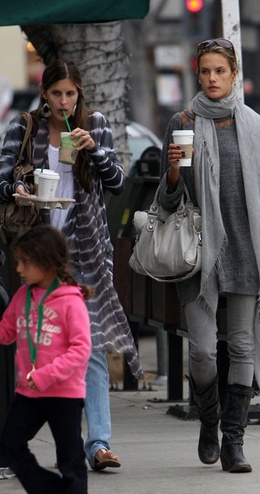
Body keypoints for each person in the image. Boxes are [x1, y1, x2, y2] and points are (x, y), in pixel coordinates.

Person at [158, 38, 260, 473]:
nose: (213, 79)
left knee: (240, 346)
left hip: (245, 249)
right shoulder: (183, 121)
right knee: (201, 350)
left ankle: (234, 442)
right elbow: (166, 202)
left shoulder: (254, 127)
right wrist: (175, 169)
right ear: (196, 74)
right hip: (200, 253)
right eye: (205, 71)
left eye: (221, 71)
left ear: (234, 74)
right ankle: (209, 419)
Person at [0, 59, 143, 471]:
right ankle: (38, 443)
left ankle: (97, 443)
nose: (64, 100)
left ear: (79, 94)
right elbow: (3, 180)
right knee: (39, 347)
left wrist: (93, 151)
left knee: (92, 347)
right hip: (39, 253)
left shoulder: (93, 126)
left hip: (86, 252)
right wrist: (20, 189)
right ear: (45, 93)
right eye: (57, 93)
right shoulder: (24, 127)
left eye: (71, 94)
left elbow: (117, 182)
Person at [0, 224, 92, 493]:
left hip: (64, 393)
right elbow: (6, 333)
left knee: (71, 459)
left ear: (47, 262)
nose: (18, 269)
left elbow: (80, 349)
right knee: (9, 445)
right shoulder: (22, 296)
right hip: (29, 393)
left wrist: (46, 375)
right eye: (18, 262)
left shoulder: (70, 301)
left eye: (25, 263)